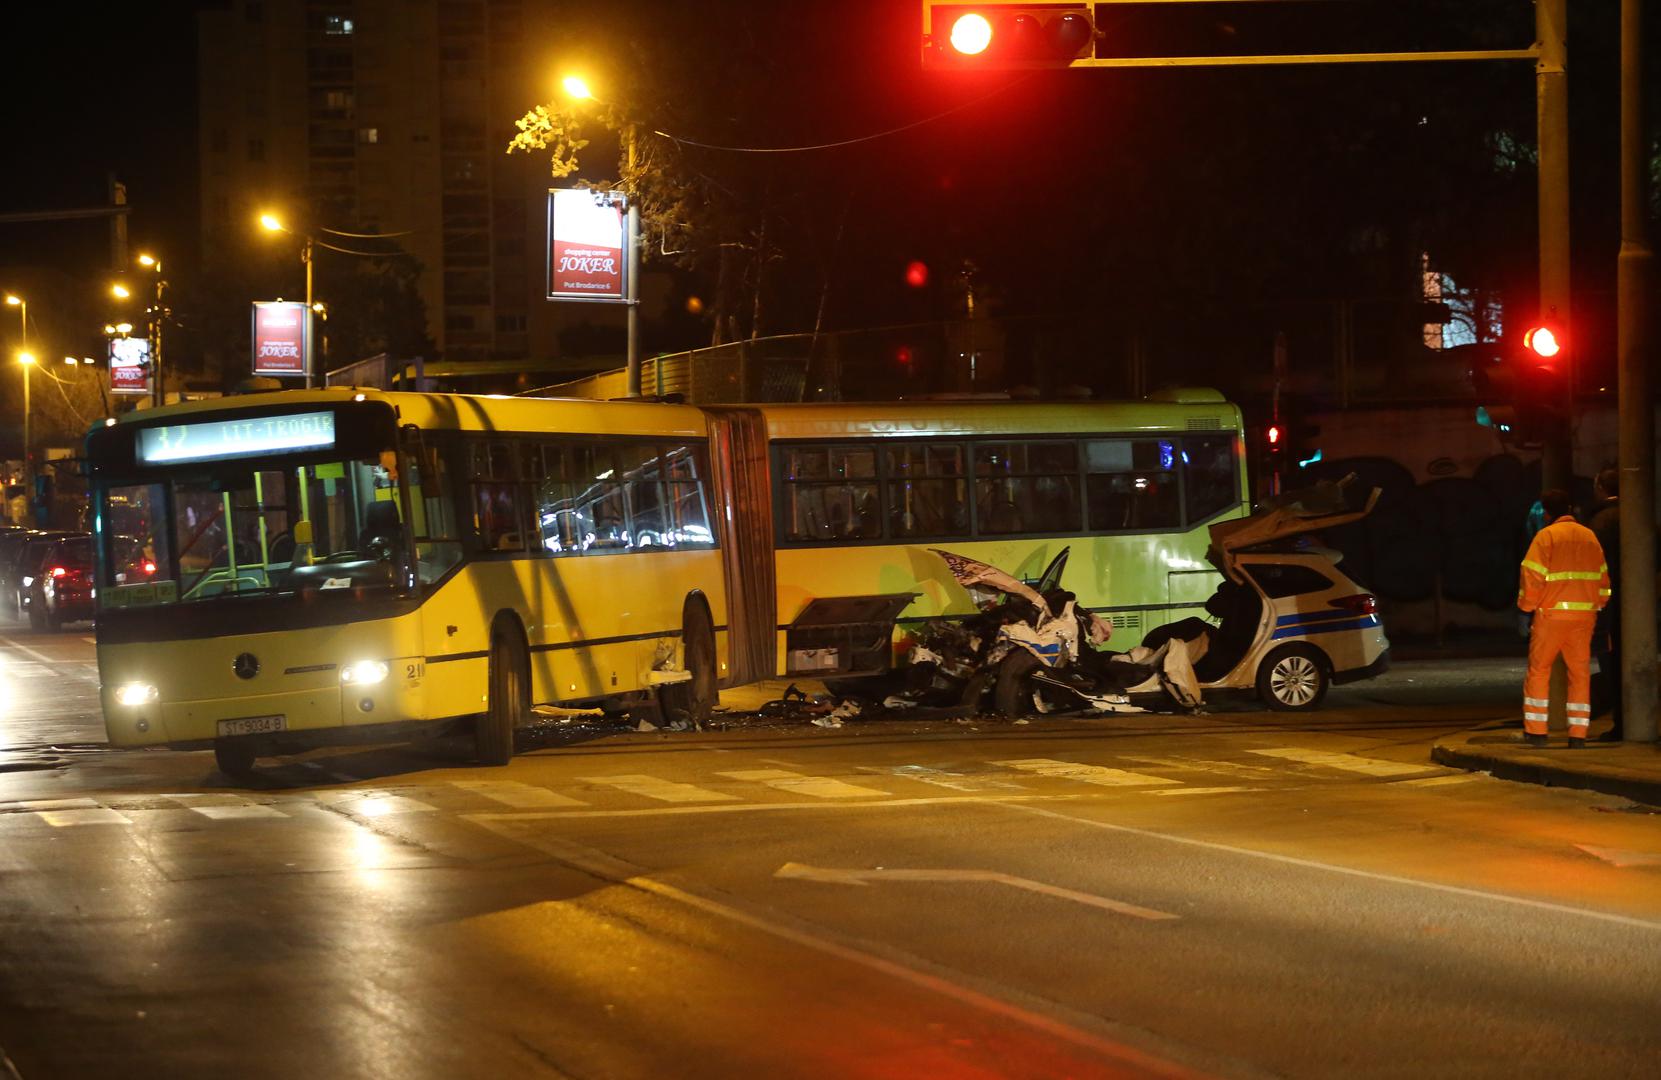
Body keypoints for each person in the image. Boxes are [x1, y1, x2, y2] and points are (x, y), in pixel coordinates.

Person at [1517, 489, 1609, 748]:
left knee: (1539, 671)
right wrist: (1598, 604)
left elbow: (1532, 575)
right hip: (1584, 617)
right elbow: (1602, 577)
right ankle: (1578, 735)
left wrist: (1526, 608)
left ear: (1546, 513)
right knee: (1579, 673)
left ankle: (1536, 732)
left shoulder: (1545, 537)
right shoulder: (1589, 536)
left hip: (1551, 615)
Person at [1588, 468, 1623, 741]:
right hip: (1637, 603)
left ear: (1600, 487)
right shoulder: (1639, 514)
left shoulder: (1599, 522)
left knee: (1611, 663)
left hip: (1608, 605)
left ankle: (1621, 723)